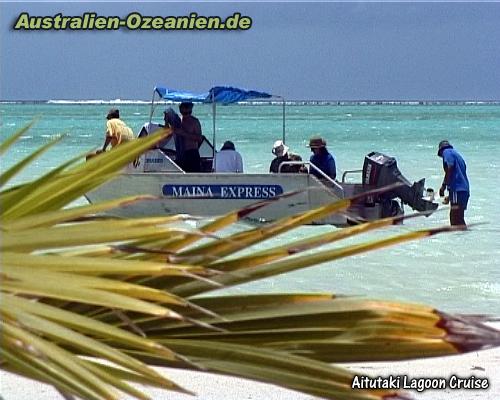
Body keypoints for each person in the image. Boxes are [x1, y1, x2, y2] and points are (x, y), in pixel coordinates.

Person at [437, 140, 470, 226]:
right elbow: (458, 175)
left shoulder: (446, 152)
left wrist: (443, 186)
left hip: (457, 189)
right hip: (464, 190)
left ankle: (458, 237)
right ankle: (463, 237)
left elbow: (450, 167)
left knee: (454, 217)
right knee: (459, 217)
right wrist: (450, 196)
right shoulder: (457, 155)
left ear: (441, 150)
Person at [177, 101, 204, 172]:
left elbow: (199, 138)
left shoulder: (194, 122)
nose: (187, 115)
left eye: (189, 112)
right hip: (180, 153)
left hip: (192, 153)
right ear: (180, 111)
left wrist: (184, 133)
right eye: (185, 113)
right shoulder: (178, 120)